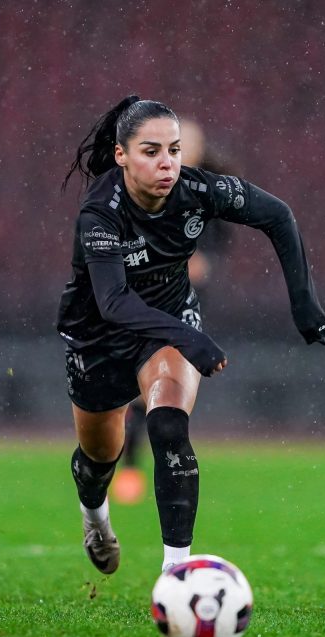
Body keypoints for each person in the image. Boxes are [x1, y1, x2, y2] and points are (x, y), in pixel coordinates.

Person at [57, 95, 325, 574]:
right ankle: (95, 518)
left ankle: (176, 574)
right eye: (151, 151)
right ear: (122, 155)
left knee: (167, 425)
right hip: (99, 335)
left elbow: (278, 216)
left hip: (167, 321)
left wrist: (304, 303)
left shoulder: (197, 189)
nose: (167, 163)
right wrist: (193, 340)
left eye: (174, 150)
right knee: (99, 458)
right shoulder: (100, 212)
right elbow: (114, 302)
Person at [111, 117, 235, 505]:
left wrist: (203, 260)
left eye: (185, 145)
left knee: (164, 390)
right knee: (139, 389)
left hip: (183, 304)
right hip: (146, 299)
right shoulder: (145, 190)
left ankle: (154, 470)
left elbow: (218, 241)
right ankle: (131, 465)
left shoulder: (209, 194)